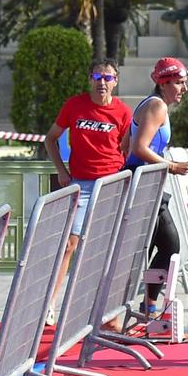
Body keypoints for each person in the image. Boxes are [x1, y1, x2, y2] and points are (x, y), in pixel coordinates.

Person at [124, 58, 188, 320]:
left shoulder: (153, 104)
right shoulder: (156, 106)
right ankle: (134, 307)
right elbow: (139, 147)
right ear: (163, 83)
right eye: (179, 83)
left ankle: (149, 305)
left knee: (169, 244)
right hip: (142, 184)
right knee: (149, 248)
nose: (184, 89)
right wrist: (171, 165)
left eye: (184, 83)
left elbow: (126, 143)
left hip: (149, 184)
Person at [48, 60, 133, 244]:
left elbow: (129, 148)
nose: (102, 82)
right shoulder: (74, 105)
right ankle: (62, 274)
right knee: (70, 242)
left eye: (107, 77)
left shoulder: (124, 112)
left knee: (105, 242)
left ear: (115, 81)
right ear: (90, 80)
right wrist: (61, 171)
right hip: (81, 184)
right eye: (97, 77)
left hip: (112, 183)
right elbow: (50, 139)